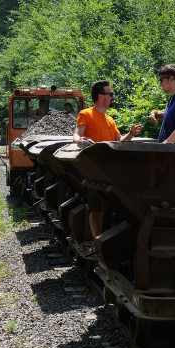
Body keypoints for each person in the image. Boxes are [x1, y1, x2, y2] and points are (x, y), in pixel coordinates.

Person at [73, 80, 142, 237]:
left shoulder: (110, 120)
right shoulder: (86, 114)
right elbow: (77, 135)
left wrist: (131, 133)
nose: (113, 96)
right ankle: (97, 242)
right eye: (110, 94)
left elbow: (120, 142)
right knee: (95, 208)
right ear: (100, 96)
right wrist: (81, 141)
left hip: (111, 171)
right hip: (94, 170)